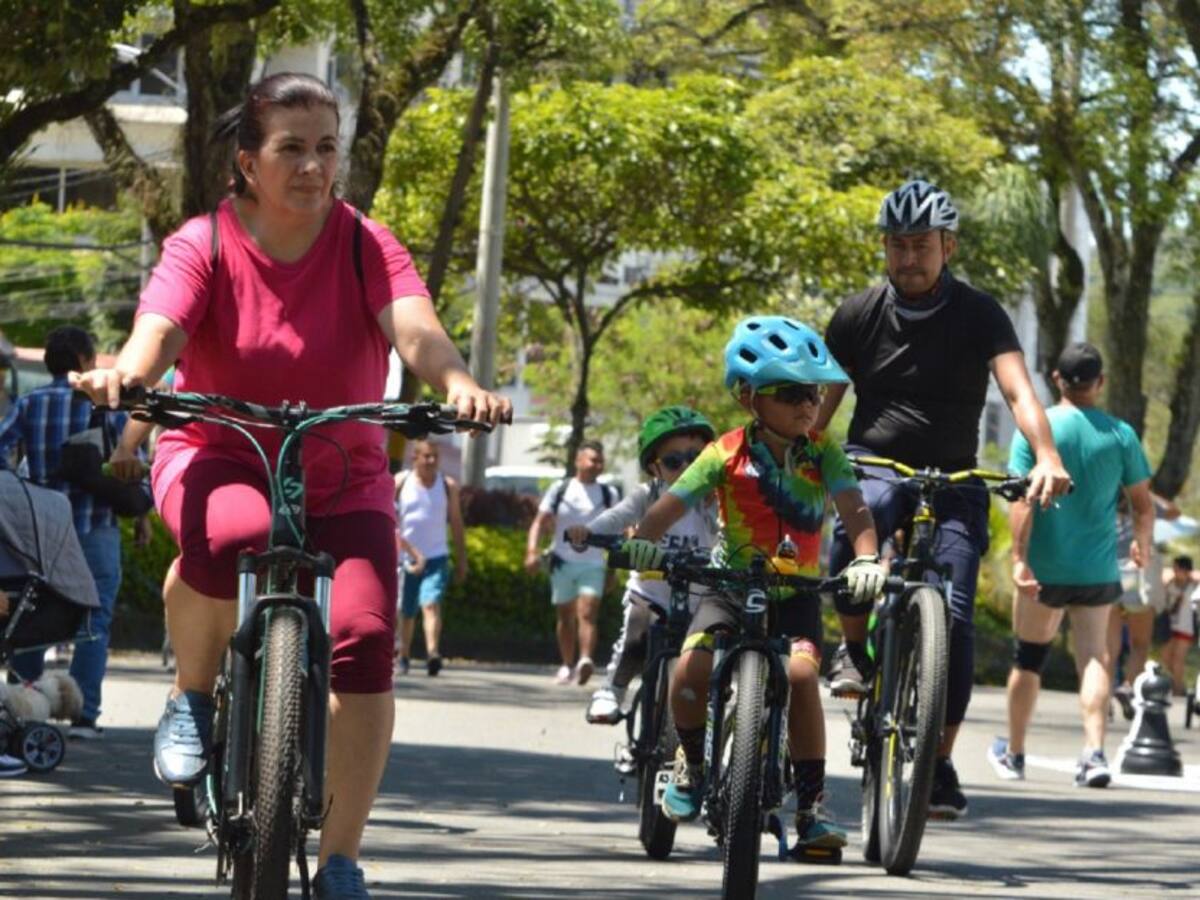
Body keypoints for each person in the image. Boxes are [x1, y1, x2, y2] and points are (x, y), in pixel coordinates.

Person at [69, 73, 510, 900]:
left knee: (366, 640)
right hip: (219, 450)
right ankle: (192, 698)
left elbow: (415, 329)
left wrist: (458, 383)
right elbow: (159, 330)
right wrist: (127, 376)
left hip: (345, 473)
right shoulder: (202, 242)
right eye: (292, 149)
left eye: (327, 148)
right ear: (248, 163)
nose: (313, 166)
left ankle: (341, 859)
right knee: (231, 536)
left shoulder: (365, 243)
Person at [816, 179, 1072, 819]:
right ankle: (853, 648)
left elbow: (1018, 391)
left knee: (955, 620)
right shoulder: (857, 313)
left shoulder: (981, 313)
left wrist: (1046, 454)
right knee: (857, 524)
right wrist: (806, 451)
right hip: (875, 463)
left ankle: (938, 760)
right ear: (885, 247)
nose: (908, 257)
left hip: (955, 476)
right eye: (897, 245)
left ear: (948, 247)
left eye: (921, 245)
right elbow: (823, 400)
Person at [621, 316, 884, 856]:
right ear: (748, 396)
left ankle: (811, 808)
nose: (807, 404)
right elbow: (672, 504)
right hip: (729, 587)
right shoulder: (724, 452)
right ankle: (692, 766)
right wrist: (641, 541)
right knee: (691, 665)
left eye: (813, 393)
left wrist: (866, 558)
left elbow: (854, 510)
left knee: (803, 676)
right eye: (789, 393)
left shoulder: (824, 452)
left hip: (797, 594)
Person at [988, 343, 1153, 788]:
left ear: (1057, 379)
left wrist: (1019, 559)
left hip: (1045, 568)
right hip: (1097, 570)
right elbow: (1143, 504)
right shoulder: (1121, 434)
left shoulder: (1036, 429)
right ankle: (1094, 753)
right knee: (1095, 657)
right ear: (1100, 382)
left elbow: (1021, 500)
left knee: (1029, 657)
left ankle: (1015, 753)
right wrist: (1142, 546)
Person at [0, 326, 144, 740]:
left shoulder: (29, 403)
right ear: (84, 360)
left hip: (39, 534)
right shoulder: (108, 406)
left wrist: (22, 493)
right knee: (95, 622)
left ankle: (25, 712)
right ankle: (84, 716)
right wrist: (140, 518)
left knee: (30, 615)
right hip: (95, 525)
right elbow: (133, 466)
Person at [564, 406, 719, 724]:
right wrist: (588, 532)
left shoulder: (714, 499)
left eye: (696, 458)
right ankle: (612, 690)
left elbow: (732, 533)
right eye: (674, 461)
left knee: (711, 653)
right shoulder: (648, 495)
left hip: (700, 597)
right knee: (636, 636)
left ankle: (711, 708)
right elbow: (618, 516)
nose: (687, 467)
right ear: (655, 468)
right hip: (651, 592)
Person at [524, 440, 615, 685]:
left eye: (600, 461)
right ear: (578, 460)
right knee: (565, 616)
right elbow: (539, 522)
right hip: (562, 561)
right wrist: (531, 552)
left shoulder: (609, 494)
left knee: (587, 612)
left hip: (594, 563)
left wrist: (615, 568)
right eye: (593, 460)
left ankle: (585, 660)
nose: (597, 465)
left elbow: (620, 530)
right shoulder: (560, 489)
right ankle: (566, 664)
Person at [393, 438, 466, 677]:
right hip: (406, 558)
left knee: (430, 603)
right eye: (427, 456)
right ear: (414, 457)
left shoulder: (447, 485)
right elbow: (390, 520)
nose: (432, 461)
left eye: (435, 456)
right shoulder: (401, 482)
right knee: (406, 610)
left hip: (437, 556)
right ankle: (403, 655)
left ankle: (433, 653)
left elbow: (456, 523)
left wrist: (462, 560)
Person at [1108, 493, 1178, 718]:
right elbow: (1174, 511)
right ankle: (1128, 688)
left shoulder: (1105, 496)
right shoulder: (1143, 499)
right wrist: (1147, 490)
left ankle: (1103, 696)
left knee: (1108, 647)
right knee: (1139, 644)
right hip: (1137, 576)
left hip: (1109, 574)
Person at [1160, 555, 1200, 694]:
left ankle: (1177, 690)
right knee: (1166, 657)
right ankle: (1178, 685)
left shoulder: (1194, 586)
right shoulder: (1170, 584)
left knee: (1178, 659)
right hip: (1170, 627)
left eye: (1177, 568)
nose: (1175, 571)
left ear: (1185, 570)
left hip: (1186, 628)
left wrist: (1191, 577)